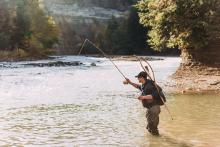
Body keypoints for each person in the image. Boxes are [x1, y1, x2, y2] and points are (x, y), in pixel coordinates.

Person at [123, 71, 163, 136]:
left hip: (154, 108)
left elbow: (154, 95)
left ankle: (157, 140)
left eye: (138, 78)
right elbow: (138, 86)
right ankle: (155, 139)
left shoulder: (150, 85)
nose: (137, 79)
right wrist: (130, 82)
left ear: (142, 78)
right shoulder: (145, 84)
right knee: (150, 127)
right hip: (150, 108)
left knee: (152, 127)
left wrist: (143, 97)